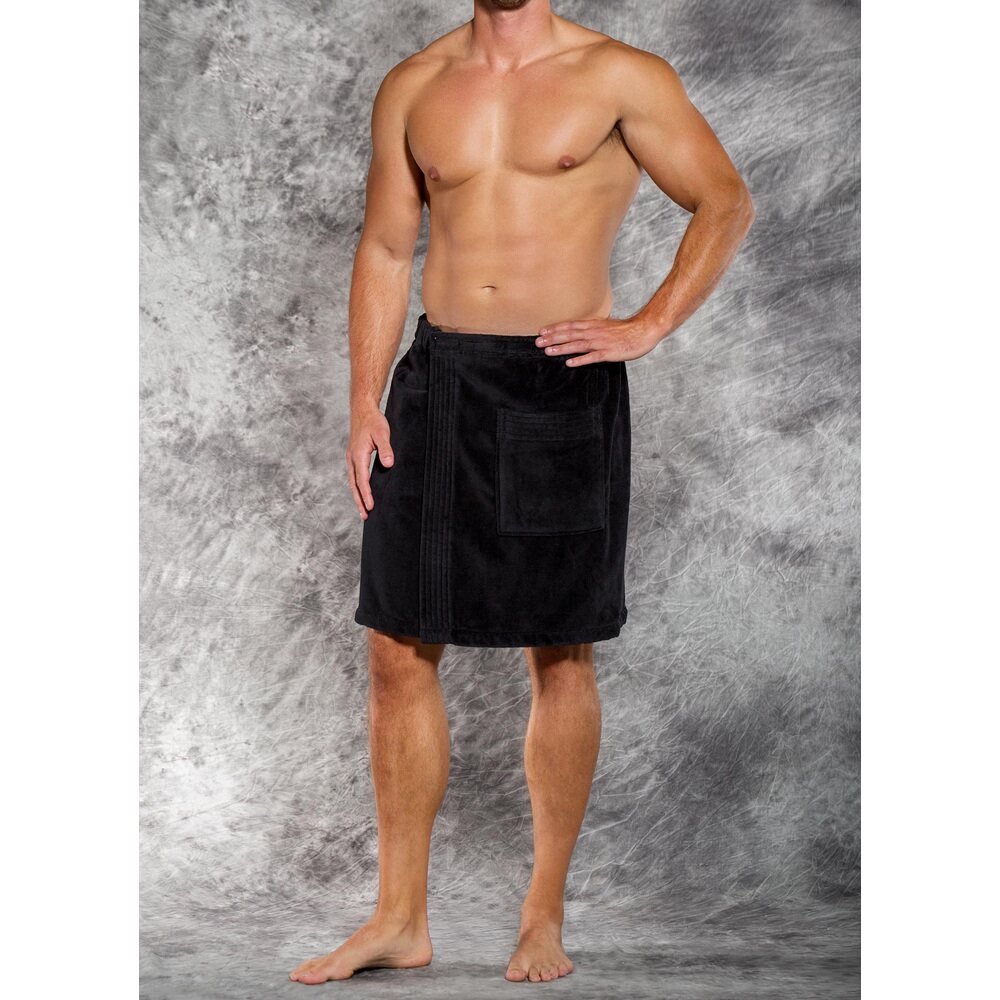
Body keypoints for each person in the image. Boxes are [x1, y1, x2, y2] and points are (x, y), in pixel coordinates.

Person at [291, 0, 754, 986]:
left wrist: (646, 325)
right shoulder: (415, 84)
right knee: (395, 646)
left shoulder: (621, 76)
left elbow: (724, 201)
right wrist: (364, 399)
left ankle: (542, 918)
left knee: (561, 647)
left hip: (559, 381)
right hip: (437, 381)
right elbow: (386, 248)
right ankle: (398, 919)